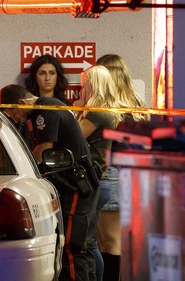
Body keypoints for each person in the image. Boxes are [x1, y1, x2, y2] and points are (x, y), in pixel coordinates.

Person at [0, 84, 99, 281]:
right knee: (82, 247)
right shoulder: (47, 108)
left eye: (14, 113)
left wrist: (19, 173)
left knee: (71, 247)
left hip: (76, 185)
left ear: (20, 103)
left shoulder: (45, 111)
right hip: (76, 182)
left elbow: (42, 152)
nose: (16, 118)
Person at [95, 55, 149, 281]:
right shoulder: (136, 103)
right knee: (112, 241)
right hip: (131, 174)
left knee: (109, 241)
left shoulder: (109, 106)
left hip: (112, 173)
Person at [74, 65, 126, 281]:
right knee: (101, 242)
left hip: (100, 179)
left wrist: (76, 109)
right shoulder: (106, 111)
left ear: (93, 85)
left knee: (99, 242)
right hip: (102, 178)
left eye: (84, 85)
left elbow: (75, 137)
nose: (81, 89)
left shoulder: (98, 112)